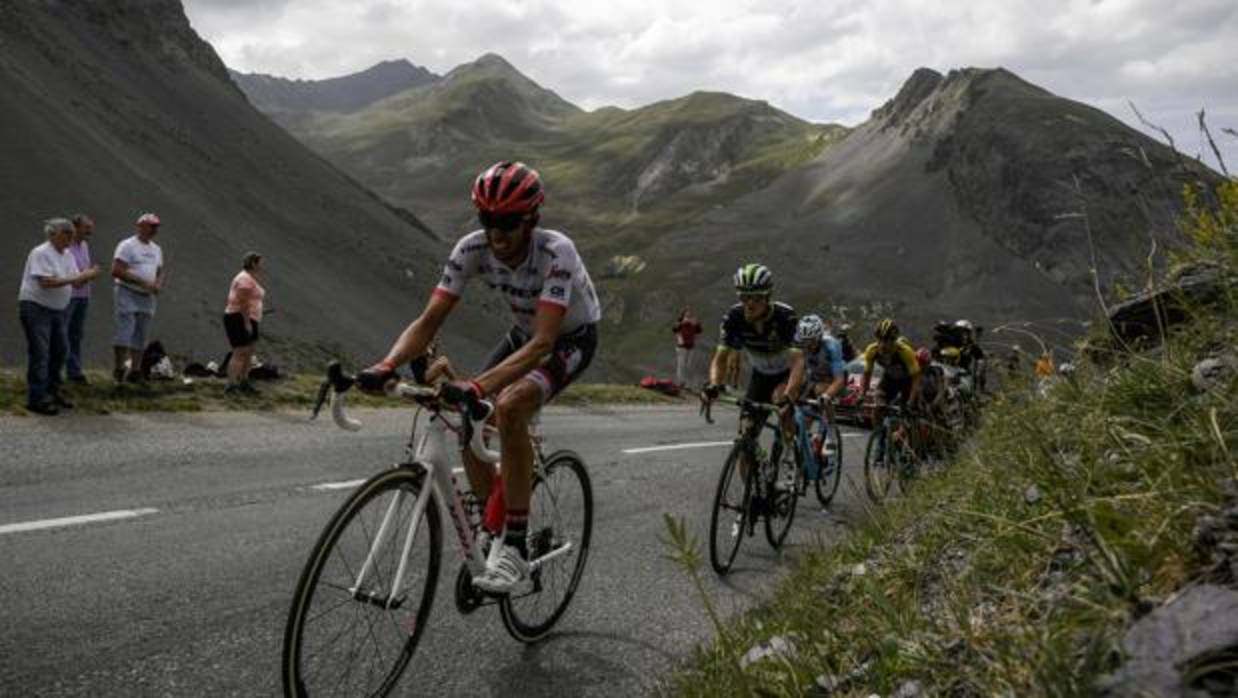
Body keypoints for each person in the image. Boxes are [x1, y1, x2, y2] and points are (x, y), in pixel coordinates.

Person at [355, 161, 601, 593]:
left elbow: (544, 342)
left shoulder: (556, 251)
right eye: (487, 220)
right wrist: (386, 364)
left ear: (532, 220)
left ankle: (517, 545)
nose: (496, 233)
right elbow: (430, 320)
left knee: (509, 406)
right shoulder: (471, 249)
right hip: (522, 335)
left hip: (569, 339)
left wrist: (481, 385)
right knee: (472, 416)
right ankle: (495, 521)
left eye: (507, 222)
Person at [702, 264, 805, 484]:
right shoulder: (734, 317)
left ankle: (789, 454)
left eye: (756, 297)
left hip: (785, 374)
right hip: (760, 375)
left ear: (767, 297)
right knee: (746, 434)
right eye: (744, 296)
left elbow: (798, 363)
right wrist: (713, 384)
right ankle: (750, 500)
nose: (749, 303)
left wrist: (790, 396)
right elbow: (720, 358)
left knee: (780, 402)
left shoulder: (785, 317)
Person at [17, 218, 99, 415]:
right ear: (53, 234)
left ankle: (52, 392)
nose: (71, 236)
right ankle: (36, 398)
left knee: (61, 351)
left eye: (71, 232)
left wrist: (87, 276)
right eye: (66, 232)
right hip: (37, 308)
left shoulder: (68, 255)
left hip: (57, 309)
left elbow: (75, 283)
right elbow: (47, 282)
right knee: (41, 353)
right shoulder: (41, 252)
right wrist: (78, 277)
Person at [111, 212, 164, 383]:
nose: (154, 230)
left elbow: (159, 270)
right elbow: (117, 270)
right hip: (127, 291)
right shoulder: (127, 245)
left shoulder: (156, 249)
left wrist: (157, 284)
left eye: (156, 227)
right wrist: (142, 282)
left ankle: (135, 370)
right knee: (125, 331)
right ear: (140, 226)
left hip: (147, 296)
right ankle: (119, 369)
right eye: (151, 226)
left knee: (141, 333)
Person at [859, 319, 922, 462]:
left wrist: (911, 402)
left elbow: (916, 380)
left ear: (894, 340)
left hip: (908, 383)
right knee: (877, 407)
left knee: (909, 415)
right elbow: (867, 374)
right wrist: (862, 394)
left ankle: (908, 447)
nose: (882, 344)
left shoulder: (905, 352)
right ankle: (880, 441)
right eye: (880, 339)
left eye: (887, 341)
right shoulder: (872, 350)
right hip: (889, 381)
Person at [222, 252, 266, 395]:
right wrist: (247, 323)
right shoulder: (244, 279)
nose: (261, 265)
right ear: (253, 263)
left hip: (249, 318)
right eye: (259, 262)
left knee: (249, 351)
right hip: (238, 318)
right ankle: (231, 385)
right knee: (240, 351)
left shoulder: (250, 278)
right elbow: (243, 303)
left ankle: (243, 382)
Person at [794, 314, 846, 423]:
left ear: (819, 336)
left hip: (833, 381)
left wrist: (827, 395)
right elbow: (798, 372)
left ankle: (831, 428)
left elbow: (839, 380)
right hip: (814, 379)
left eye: (811, 341)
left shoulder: (831, 345)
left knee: (820, 390)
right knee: (803, 419)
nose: (808, 345)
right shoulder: (799, 344)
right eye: (805, 341)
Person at [65, 214, 96, 384]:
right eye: (86, 228)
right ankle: (72, 371)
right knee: (64, 334)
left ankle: (74, 370)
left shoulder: (84, 245)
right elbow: (74, 278)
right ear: (75, 227)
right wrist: (90, 274)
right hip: (69, 296)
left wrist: (88, 274)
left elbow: (82, 273)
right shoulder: (66, 247)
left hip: (83, 296)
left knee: (76, 335)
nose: (89, 232)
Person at [671, 306, 703, 386]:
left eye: (690, 314)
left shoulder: (693, 323)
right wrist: (682, 323)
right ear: (683, 315)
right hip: (681, 346)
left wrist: (697, 324)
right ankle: (680, 381)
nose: (689, 315)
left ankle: (688, 382)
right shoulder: (680, 322)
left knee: (689, 365)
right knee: (681, 365)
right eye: (687, 314)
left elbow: (699, 331)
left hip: (691, 346)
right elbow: (674, 329)